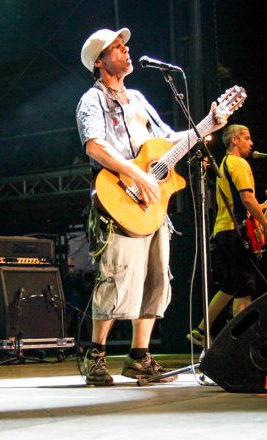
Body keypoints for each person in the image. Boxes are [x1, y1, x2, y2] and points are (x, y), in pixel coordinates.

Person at [76, 27, 229, 386]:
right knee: (117, 276)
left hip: (152, 202)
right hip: (118, 195)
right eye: (116, 48)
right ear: (99, 62)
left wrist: (206, 125)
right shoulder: (92, 100)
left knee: (156, 277)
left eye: (125, 45)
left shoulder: (140, 99)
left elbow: (167, 141)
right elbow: (94, 146)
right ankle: (95, 355)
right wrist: (136, 175)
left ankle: (139, 358)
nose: (126, 51)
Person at [187, 124, 267, 348]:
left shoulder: (223, 164)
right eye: (247, 138)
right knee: (244, 286)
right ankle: (239, 344)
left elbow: (238, 204)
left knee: (232, 285)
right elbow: (247, 200)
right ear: (234, 140)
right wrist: (265, 223)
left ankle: (202, 330)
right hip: (235, 231)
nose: (251, 143)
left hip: (223, 230)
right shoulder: (239, 163)